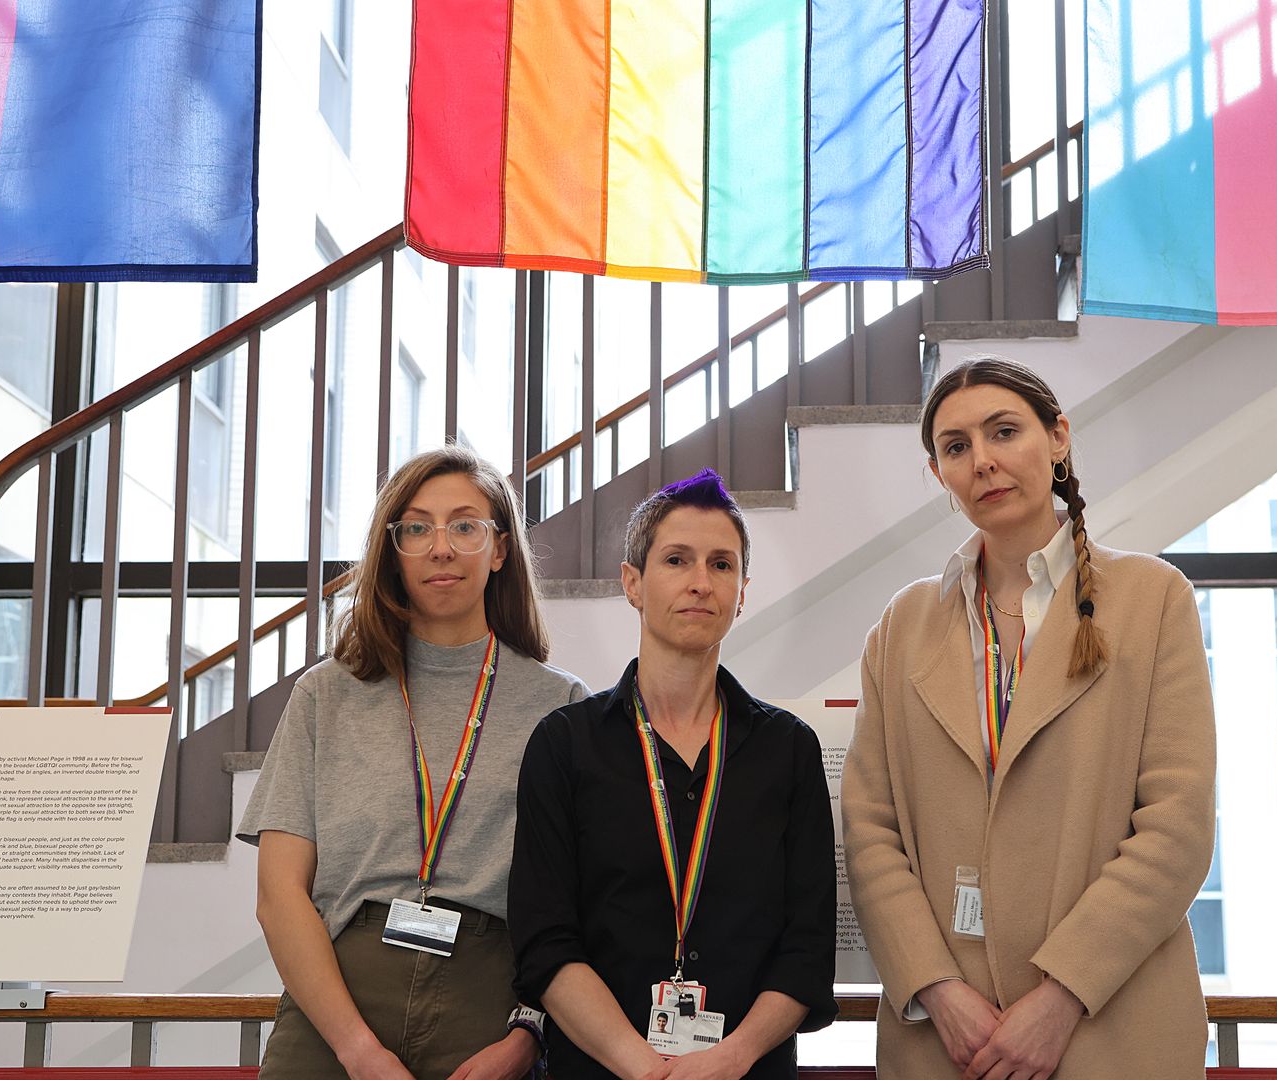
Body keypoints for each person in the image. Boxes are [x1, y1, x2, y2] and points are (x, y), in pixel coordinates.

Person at [842, 357, 1217, 1079]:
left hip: (1110, 1027)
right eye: (956, 448)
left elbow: (1177, 827)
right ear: (939, 474)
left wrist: (1061, 998)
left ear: (1058, 438)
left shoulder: (1152, 599)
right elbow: (870, 831)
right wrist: (938, 989)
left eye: (1003, 431)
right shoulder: (904, 624)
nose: (982, 460)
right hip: (946, 1041)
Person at [240, 446, 587, 1080]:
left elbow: (582, 902)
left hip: (492, 1003)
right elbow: (278, 894)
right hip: (339, 1001)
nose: (441, 547)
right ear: (393, 551)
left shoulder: (561, 705)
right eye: (416, 528)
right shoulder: (325, 694)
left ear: (501, 549)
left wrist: (527, 1037)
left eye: (465, 525)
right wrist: (358, 1051)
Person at [509, 469, 837, 1080]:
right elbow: (545, 942)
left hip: (747, 1072)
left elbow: (807, 949)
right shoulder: (565, 744)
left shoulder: (787, 749)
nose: (699, 582)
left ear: (741, 593)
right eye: (677, 560)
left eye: (721, 564)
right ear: (632, 583)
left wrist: (729, 1059)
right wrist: (643, 1067)